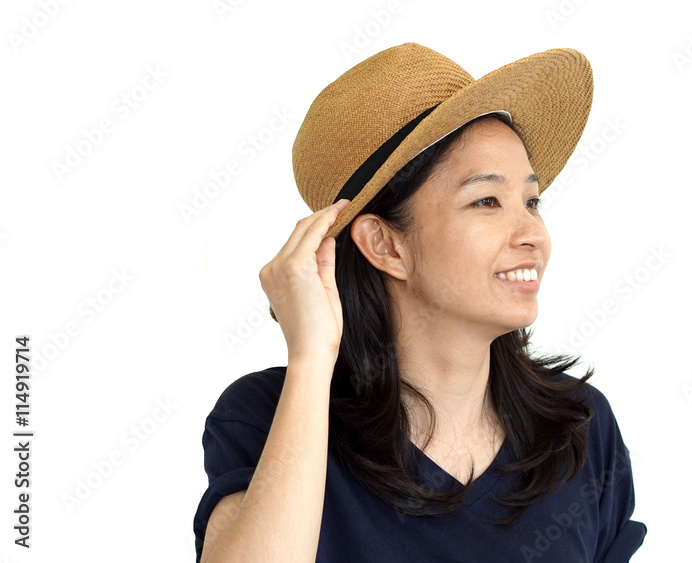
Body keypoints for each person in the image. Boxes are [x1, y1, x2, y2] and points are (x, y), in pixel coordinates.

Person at [192, 42, 646, 562]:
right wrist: (312, 360)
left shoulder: (579, 428)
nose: (533, 235)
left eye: (532, 201)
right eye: (486, 201)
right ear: (386, 245)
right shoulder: (268, 414)